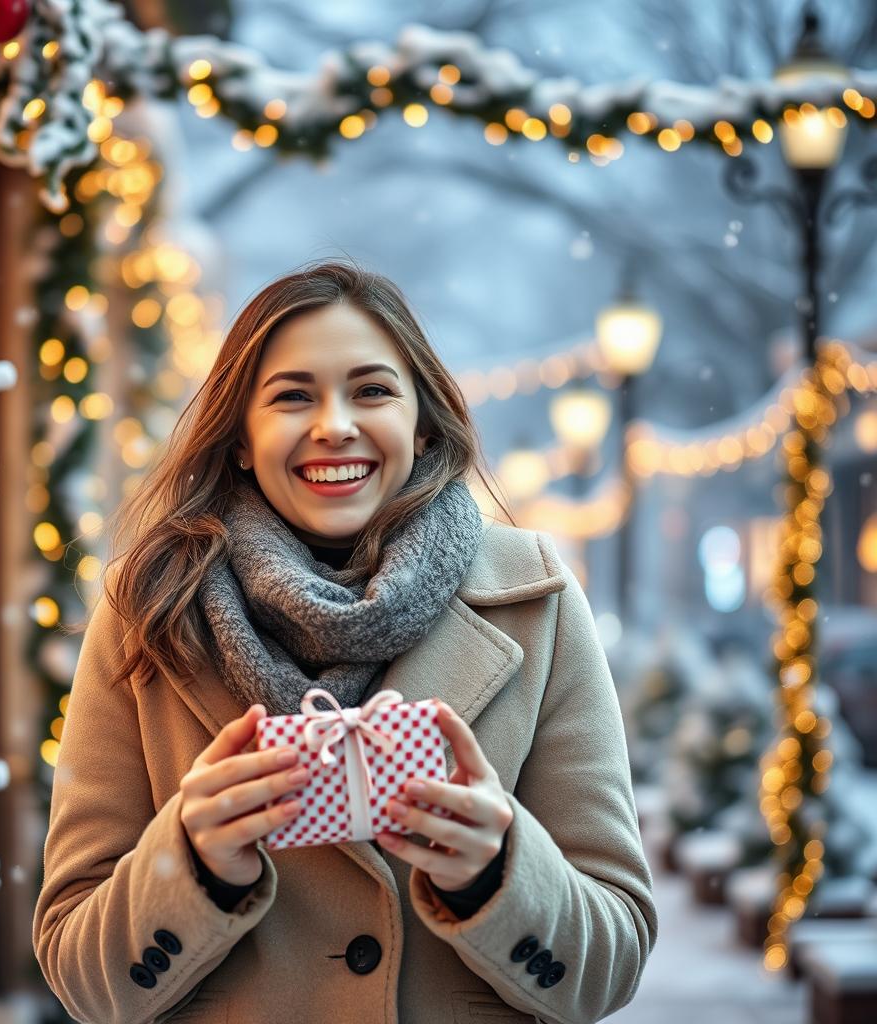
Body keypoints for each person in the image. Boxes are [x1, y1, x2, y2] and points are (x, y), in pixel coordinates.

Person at [32, 257, 657, 1024]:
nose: (334, 424)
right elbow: (78, 973)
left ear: (421, 422)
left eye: (372, 391)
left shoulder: (537, 600)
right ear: (239, 436)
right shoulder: (149, 608)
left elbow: (614, 958)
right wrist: (191, 862)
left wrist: (498, 874)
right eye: (293, 396)